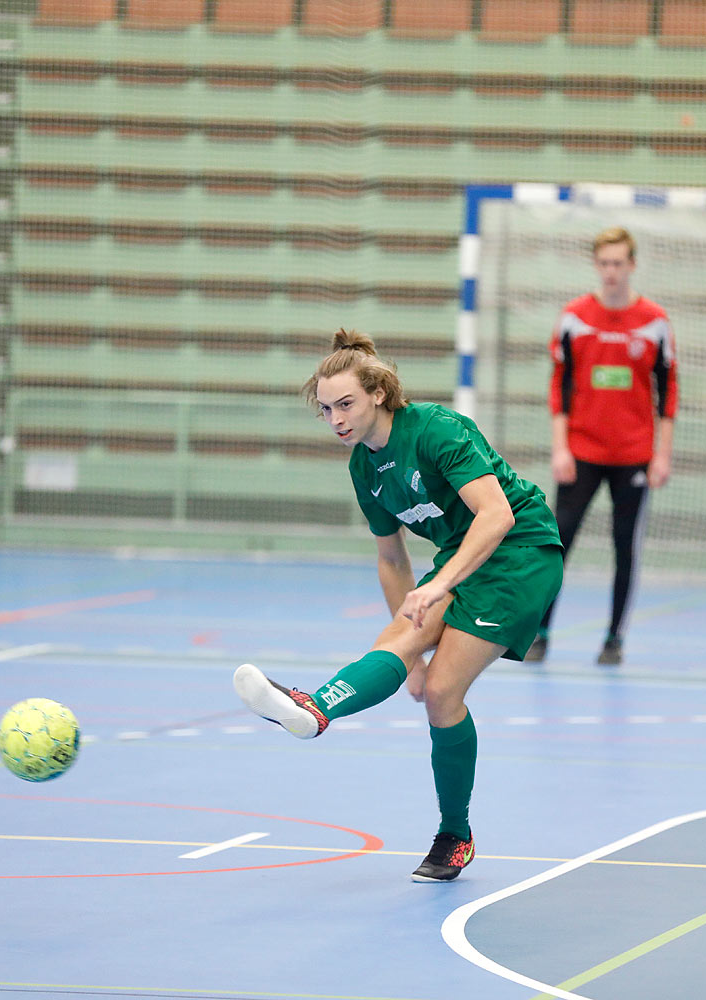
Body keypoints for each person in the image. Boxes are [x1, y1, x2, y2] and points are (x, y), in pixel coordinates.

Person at [233, 329, 563, 882]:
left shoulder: (438, 429)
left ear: (378, 394)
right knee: (399, 646)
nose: (336, 419)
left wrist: (439, 586)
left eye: (346, 404)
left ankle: (455, 835)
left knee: (441, 693)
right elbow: (392, 560)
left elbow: (498, 515)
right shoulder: (365, 468)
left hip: (522, 552)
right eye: (326, 410)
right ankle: (316, 710)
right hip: (465, 555)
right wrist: (409, 652)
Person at [525, 226, 677, 667]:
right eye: (604, 263)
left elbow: (668, 392)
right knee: (557, 545)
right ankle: (541, 633)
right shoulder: (574, 317)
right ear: (597, 265)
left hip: (634, 455)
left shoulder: (654, 321)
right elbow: (559, 386)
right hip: (581, 454)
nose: (611, 271)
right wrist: (560, 448)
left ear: (632, 265)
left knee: (624, 546)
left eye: (619, 263)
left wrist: (662, 455)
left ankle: (614, 639)